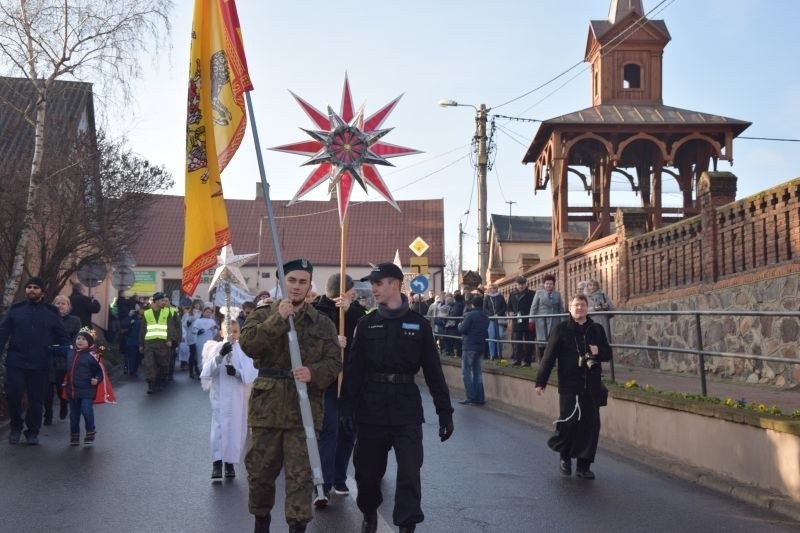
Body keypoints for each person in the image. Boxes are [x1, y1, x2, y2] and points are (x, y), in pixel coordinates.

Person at [340, 262, 454, 533]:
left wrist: (444, 411)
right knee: (367, 474)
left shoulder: (419, 325)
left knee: (409, 474)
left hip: (406, 408)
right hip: (372, 408)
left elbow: (434, 372)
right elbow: (354, 371)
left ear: (395, 284)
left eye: (378, 283)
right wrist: (346, 409)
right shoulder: (367, 325)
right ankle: (368, 510)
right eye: (372, 284)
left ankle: (407, 525)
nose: (373, 289)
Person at [240, 258, 342, 533]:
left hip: (304, 410)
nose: (296, 287)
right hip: (267, 409)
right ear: (282, 282)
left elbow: (335, 361)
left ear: (310, 285)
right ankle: (261, 520)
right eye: (292, 281)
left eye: (302, 282)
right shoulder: (262, 315)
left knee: (301, 478)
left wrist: (314, 372)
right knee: (260, 474)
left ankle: (297, 527)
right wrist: (278, 319)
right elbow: (249, 345)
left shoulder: (321, 323)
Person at [534, 294, 612, 479]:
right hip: (569, 385)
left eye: (582, 305)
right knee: (569, 422)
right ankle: (565, 457)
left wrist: (598, 351)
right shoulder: (561, 329)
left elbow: (608, 353)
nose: (579, 308)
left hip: (591, 385)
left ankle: (584, 465)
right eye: (576, 305)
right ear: (570, 308)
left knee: (591, 425)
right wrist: (540, 382)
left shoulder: (596, 329)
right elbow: (549, 357)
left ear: (587, 308)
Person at [311, 273, 367, 505]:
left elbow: (366, 332)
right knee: (329, 430)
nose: (354, 293)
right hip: (327, 382)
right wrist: (334, 340)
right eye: (351, 290)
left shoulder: (355, 311)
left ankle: (339, 477)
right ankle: (322, 484)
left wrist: (350, 311)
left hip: (350, 381)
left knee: (348, 430)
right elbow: (311, 342)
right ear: (342, 290)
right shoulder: (317, 310)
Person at [0, 276, 70, 445]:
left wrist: (60, 353)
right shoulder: (16, 310)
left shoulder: (51, 313)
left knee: (36, 399)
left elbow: (63, 337)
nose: (32, 290)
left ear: (42, 292)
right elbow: (2, 334)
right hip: (17, 360)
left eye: (36, 288)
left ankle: (32, 431)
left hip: (40, 362)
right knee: (13, 394)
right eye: (29, 287)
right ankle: (16, 428)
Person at [200, 316, 258, 481]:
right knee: (219, 428)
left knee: (236, 428)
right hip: (220, 396)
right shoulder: (216, 348)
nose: (232, 335)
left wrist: (238, 373)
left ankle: (230, 463)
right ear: (221, 332)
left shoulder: (244, 350)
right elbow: (207, 371)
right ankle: (217, 463)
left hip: (238, 396)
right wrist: (219, 356)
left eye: (235, 331)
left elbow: (252, 371)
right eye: (228, 332)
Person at [45, 295, 82, 425]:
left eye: (63, 303)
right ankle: (48, 414)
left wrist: (70, 350)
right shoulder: (48, 319)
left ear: (68, 306)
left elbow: (77, 339)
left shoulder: (74, 320)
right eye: (57, 303)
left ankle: (63, 403)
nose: (60, 305)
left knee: (61, 387)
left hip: (64, 359)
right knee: (47, 389)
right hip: (48, 358)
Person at [63, 328, 104, 446]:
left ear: (90, 342)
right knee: (74, 415)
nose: (80, 341)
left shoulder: (93, 356)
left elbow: (99, 371)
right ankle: (74, 435)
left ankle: (90, 431)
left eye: (84, 339)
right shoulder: (70, 352)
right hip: (72, 390)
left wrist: (97, 379)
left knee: (86, 410)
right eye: (78, 338)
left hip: (87, 390)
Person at [139, 292, 181, 394]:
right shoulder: (147, 313)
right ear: (156, 301)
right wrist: (141, 344)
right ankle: (151, 385)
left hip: (163, 344)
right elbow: (143, 329)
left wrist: (170, 340)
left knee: (163, 364)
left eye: (164, 300)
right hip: (149, 343)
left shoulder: (167, 312)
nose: (163, 302)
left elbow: (171, 327)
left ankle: (159, 381)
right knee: (150, 364)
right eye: (161, 300)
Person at [458, 294, 490, 405]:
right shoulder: (485, 316)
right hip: (481, 346)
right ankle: (480, 398)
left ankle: (471, 397)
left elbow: (463, 329)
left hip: (469, 346)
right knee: (478, 373)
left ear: (473, 304)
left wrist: (459, 325)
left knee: (466, 372)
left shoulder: (470, 315)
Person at [529, 274, 565, 362]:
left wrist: (563, 321)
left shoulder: (557, 294)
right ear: (544, 284)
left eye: (551, 284)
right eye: (547, 283)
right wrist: (531, 321)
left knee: (553, 340)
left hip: (554, 320)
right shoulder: (539, 293)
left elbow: (561, 308)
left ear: (553, 285)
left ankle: (552, 361)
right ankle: (542, 360)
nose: (549, 285)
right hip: (541, 321)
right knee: (542, 340)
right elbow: (533, 307)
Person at [507, 276, 535, 366]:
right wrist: (510, 312)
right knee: (516, 341)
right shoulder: (512, 294)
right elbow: (509, 307)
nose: (521, 286)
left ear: (526, 284)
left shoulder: (531, 294)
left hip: (528, 319)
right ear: (516, 284)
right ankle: (517, 359)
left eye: (523, 284)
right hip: (517, 320)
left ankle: (527, 360)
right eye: (519, 284)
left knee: (529, 341)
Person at [483, 283, 507, 361]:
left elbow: (504, 307)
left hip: (499, 319)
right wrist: (491, 315)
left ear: (496, 289)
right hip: (490, 319)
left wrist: (498, 314)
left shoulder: (500, 297)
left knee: (500, 335)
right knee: (491, 336)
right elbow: (484, 308)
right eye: (490, 288)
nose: (492, 290)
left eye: (493, 288)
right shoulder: (487, 297)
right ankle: (492, 355)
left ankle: (499, 354)